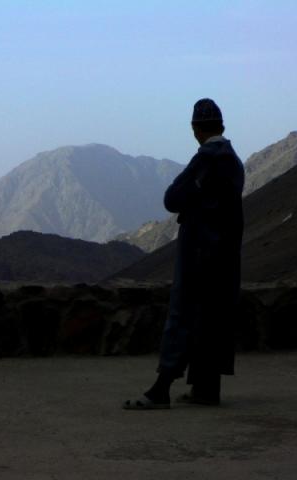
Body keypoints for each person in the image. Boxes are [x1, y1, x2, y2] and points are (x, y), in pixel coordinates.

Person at [123, 98, 245, 409]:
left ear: (195, 129)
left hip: (199, 253)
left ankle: (161, 389)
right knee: (214, 318)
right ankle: (206, 390)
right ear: (222, 125)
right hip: (225, 256)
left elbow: (173, 198)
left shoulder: (206, 159)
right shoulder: (233, 160)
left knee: (183, 315)